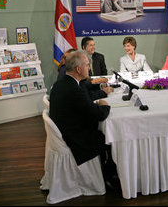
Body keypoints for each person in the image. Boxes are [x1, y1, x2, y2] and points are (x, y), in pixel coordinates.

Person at [50, 51, 118, 189]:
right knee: (111, 137)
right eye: (87, 65)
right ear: (78, 69)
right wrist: (105, 105)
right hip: (76, 138)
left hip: (66, 129)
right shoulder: (74, 90)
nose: (89, 68)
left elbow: (84, 105)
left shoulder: (61, 83)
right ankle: (110, 176)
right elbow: (99, 115)